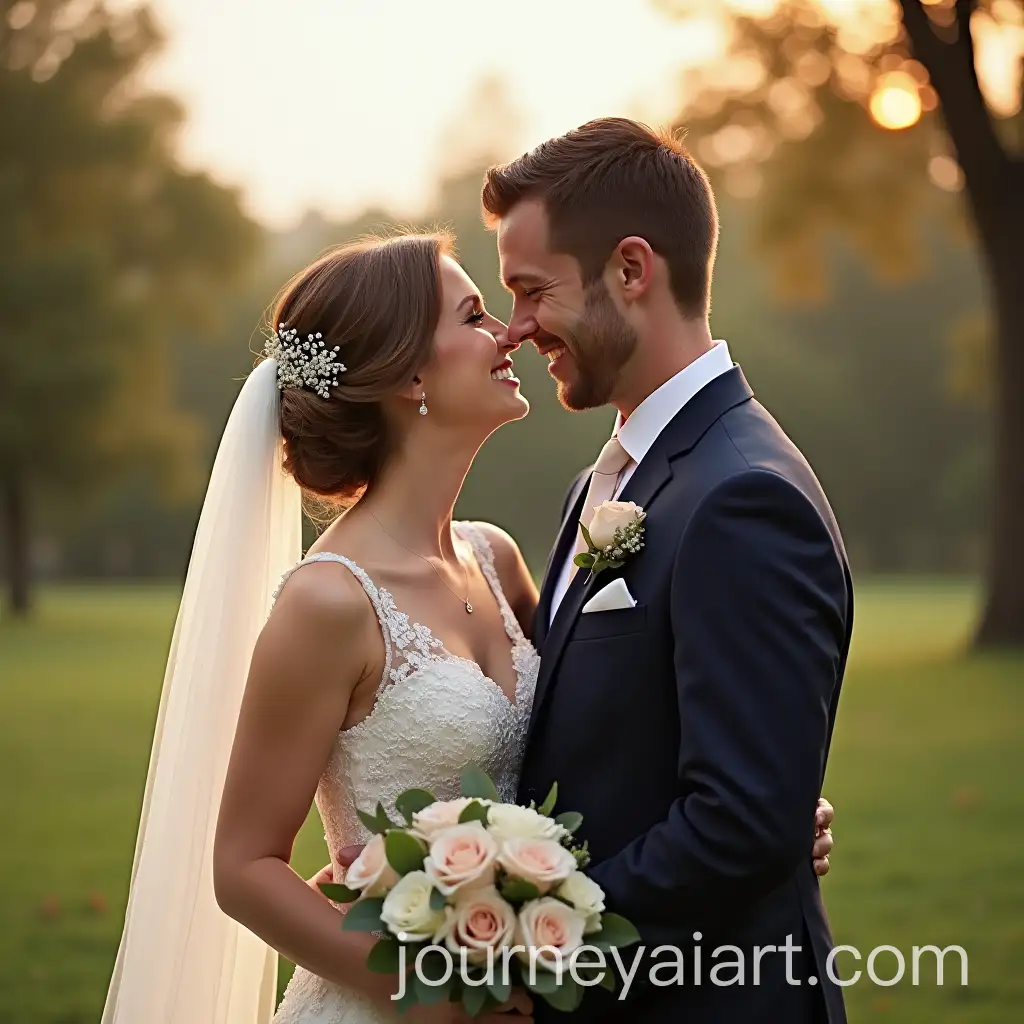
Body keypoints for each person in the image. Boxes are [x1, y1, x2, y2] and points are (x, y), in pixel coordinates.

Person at [102, 225, 836, 1023]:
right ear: (407, 373)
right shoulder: (328, 603)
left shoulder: (498, 558)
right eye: (476, 315)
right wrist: (440, 988)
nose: (509, 332)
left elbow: (609, 727)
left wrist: (762, 812)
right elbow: (243, 868)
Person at [482, 117, 853, 1022]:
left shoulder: (741, 495)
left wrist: (535, 933)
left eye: (533, 292)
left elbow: (741, 823)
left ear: (632, 270)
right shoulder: (607, 481)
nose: (517, 327)